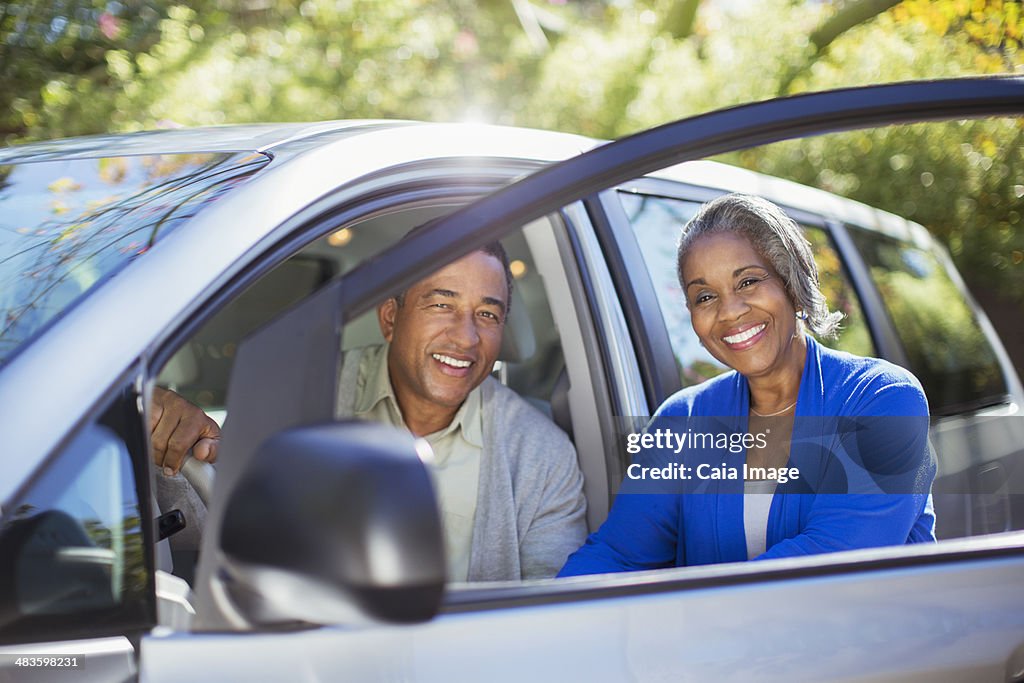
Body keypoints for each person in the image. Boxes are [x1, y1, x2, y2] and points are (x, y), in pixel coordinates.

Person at [154, 242, 587, 582]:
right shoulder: (303, 398)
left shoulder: (543, 456)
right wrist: (166, 435)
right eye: (441, 304)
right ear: (389, 319)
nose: (466, 338)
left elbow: (549, 612)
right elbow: (208, 520)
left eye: (487, 314)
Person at [559, 193, 935, 577]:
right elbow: (618, 553)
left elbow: (834, 559)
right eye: (704, 296)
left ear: (793, 283)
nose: (729, 312)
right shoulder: (682, 419)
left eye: (749, 282)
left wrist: (685, 618)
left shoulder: (881, 399)